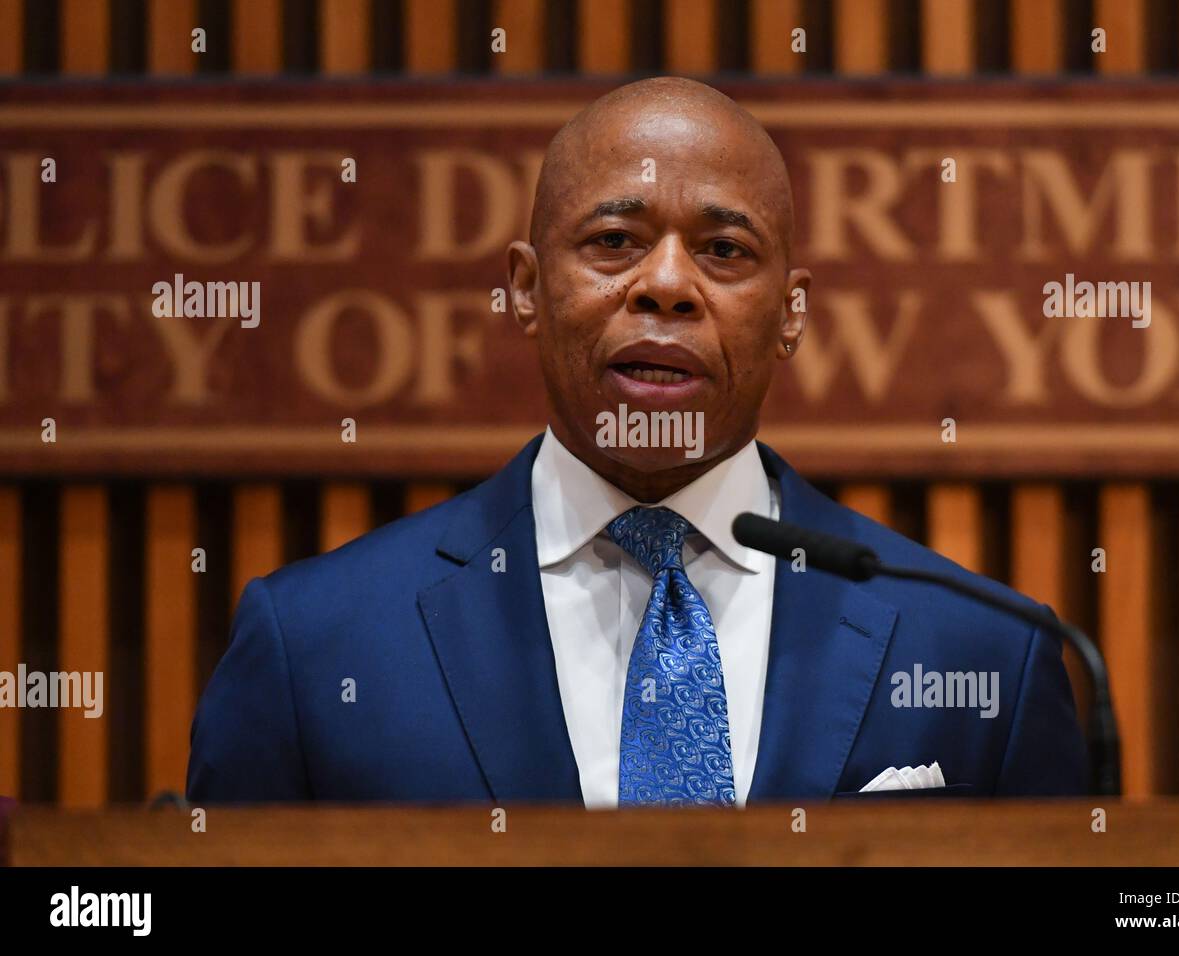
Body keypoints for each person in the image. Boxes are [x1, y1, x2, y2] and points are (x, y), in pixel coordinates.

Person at [187, 77, 1087, 807]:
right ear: (526, 291)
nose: (667, 285)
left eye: (725, 251)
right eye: (615, 240)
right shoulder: (316, 648)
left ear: (792, 313)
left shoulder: (979, 652)